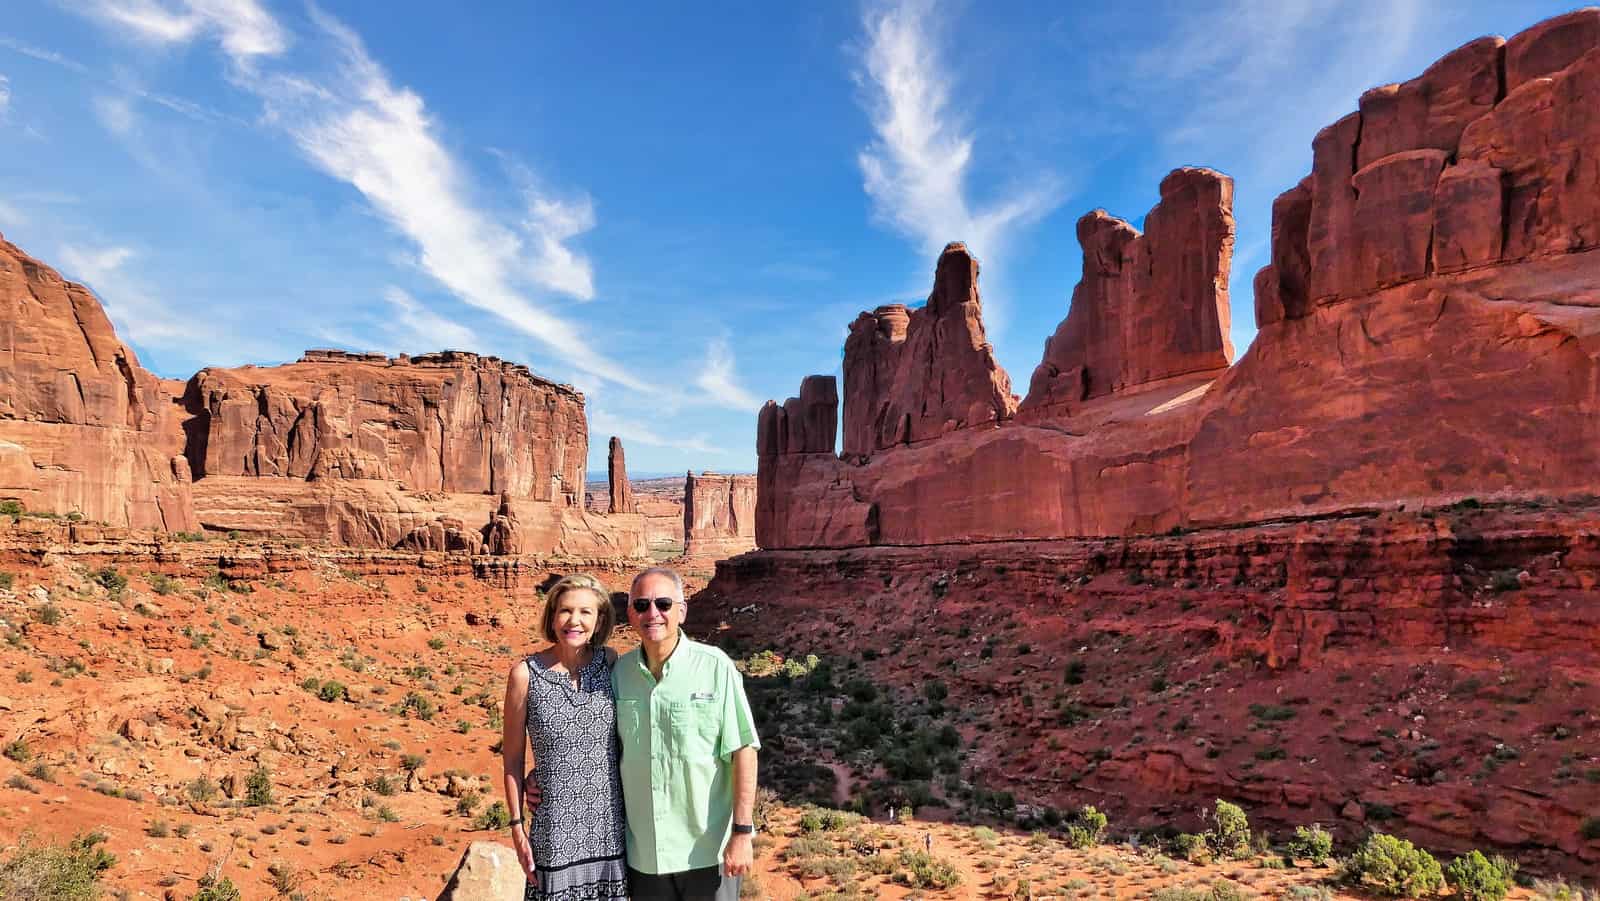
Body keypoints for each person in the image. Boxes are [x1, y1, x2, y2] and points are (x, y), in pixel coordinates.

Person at [614, 566, 760, 901]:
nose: (653, 613)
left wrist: (742, 833)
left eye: (664, 604)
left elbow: (743, 750)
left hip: (708, 853)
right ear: (630, 614)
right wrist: (541, 777)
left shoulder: (715, 667)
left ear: (682, 610)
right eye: (641, 605)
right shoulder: (619, 674)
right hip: (644, 856)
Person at [500, 573, 629, 901]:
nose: (574, 620)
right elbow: (512, 758)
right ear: (552, 617)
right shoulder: (525, 675)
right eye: (565, 611)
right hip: (553, 833)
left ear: (600, 620)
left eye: (585, 612)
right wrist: (517, 827)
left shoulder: (611, 662)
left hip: (609, 829)